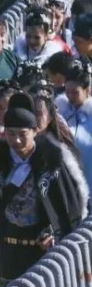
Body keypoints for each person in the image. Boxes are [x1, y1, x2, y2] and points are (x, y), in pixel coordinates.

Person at [0, 93, 90, 287]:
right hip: (5, 251)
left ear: (35, 131)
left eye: (23, 134)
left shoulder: (52, 163)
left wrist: (55, 234)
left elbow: (68, 208)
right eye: (11, 134)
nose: (17, 141)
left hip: (43, 252)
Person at [57, 59, 92, 189]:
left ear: (87, 90)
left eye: (75, 92)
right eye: (67, 92)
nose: (70, 96)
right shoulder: (60, 113)